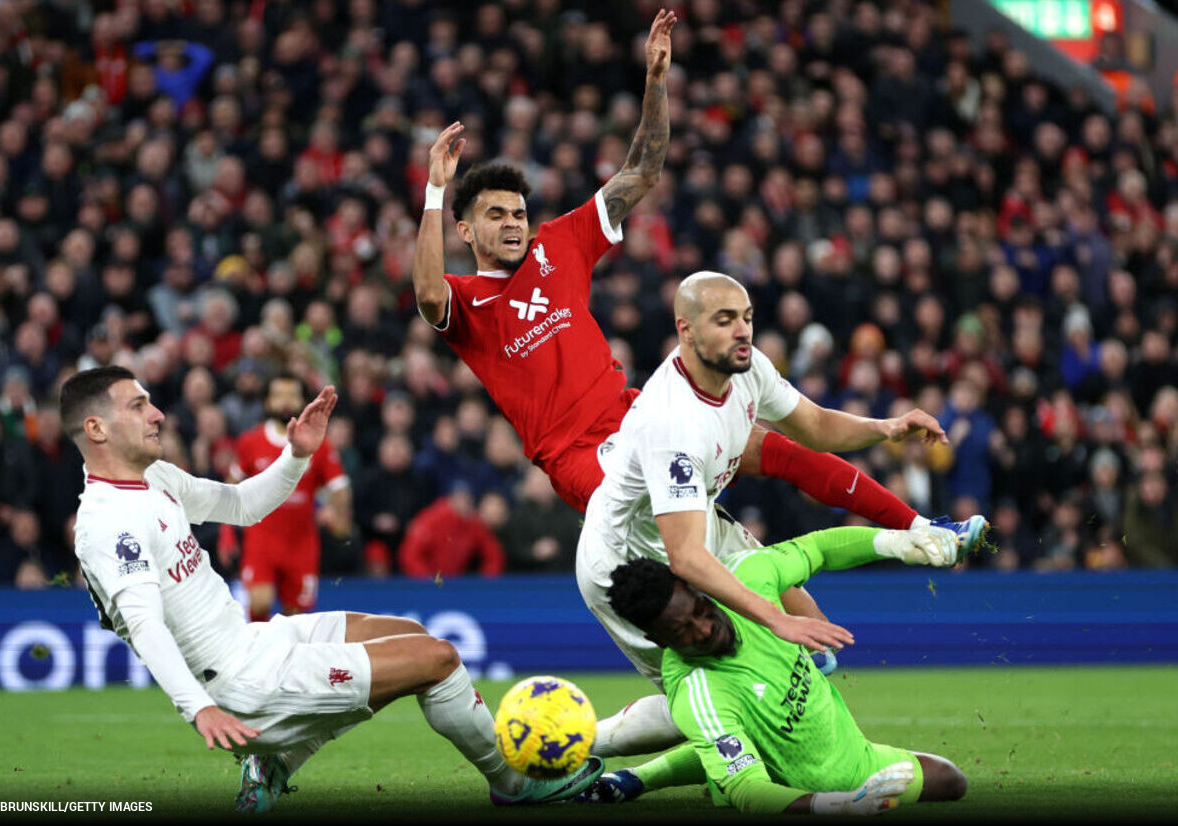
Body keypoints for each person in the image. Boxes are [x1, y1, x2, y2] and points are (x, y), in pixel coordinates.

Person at [411, 11, 984, 658]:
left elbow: (640, 175)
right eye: (495, 215)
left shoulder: (558, 245)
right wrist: (436, 191)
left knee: (780, 451)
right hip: (586, 463)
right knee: (714, 562)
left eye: (518, 212)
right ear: (466, 231)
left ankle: (923, 532)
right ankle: (763, 670)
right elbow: (428, 293)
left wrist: (657, 78)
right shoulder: (467, 302)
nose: (513, 223)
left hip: (639, 414)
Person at [61, 366, 602, 813]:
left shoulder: (154, 479)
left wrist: (296, 456)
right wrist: (199, 708)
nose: (156, 413)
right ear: (97, 429)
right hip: (242, 682)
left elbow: (243, 505)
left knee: (410, 635)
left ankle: (276, 761)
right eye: (137, 406)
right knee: (437, 659)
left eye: (150, 401)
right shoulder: (108, 522)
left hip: (255, 642)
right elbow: (145, 624)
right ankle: (513, 784)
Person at [576, 272, 975, 756]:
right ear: (686, 331)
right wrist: (773, 621)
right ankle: (571, 748)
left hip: (693, 522)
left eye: (745, 318)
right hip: (628, 562)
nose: (742, 331)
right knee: (711, 685)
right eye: (724, 321)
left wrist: (887, 427)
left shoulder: (746, 368)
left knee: (812, 641)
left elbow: (816, 426)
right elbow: (684, 558)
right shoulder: (672, 422)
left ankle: (803, 747)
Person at [584, 535, 967, 814]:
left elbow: (816, 550)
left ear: (695, 586)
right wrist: (837, 805)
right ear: (657, 639)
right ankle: (638, 777)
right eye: (682, 631)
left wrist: (898, 543)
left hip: (858, 759)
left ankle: (636, 778)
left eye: (699, 610)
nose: (703, 629)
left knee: (951, 781)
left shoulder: (746, 576)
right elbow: (748, 790)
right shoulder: (698, 692)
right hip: (798, 793)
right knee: (733, 747)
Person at [221, 372, 351, 621]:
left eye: (292, 395)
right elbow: (230, 488)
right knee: (260, 601)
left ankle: (289, 659)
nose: (285, 402)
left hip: (301, 543)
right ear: (267, 402)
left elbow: (340, 486)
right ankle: (259, 657)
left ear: (303, 401)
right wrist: (227, 534)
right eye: (278, 395)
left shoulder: (318, 444)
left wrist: (339, 515)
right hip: (261, 539)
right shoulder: (251, 442)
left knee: (297, 617)